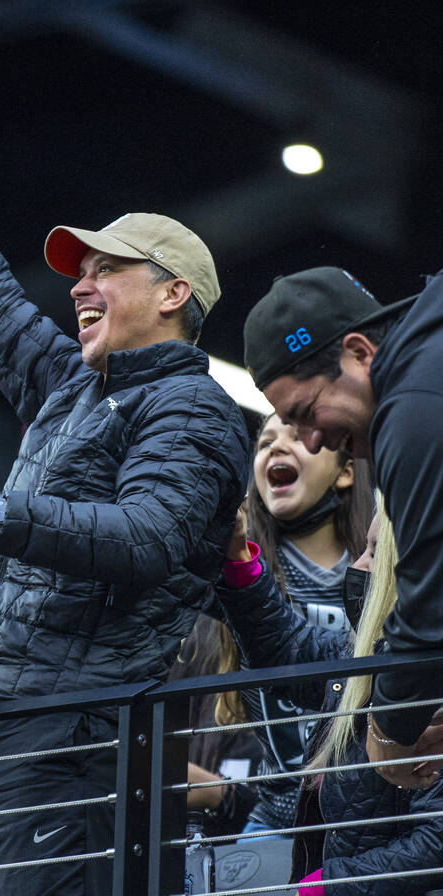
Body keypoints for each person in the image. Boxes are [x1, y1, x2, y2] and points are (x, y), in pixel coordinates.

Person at [0, 62, 250, 895]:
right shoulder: (76, 384)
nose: (79, 285)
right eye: (79, 271)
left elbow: (150, 536)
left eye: (105, 270)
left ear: (173, 294)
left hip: (72, 737)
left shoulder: (194, 409)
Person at [242, 265, 443, 784]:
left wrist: (387, 734)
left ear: (359, 353)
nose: (312, 441)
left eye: (307, 412)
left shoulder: (413, 408)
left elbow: (428, 611)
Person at [216, 499, 443, 895]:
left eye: (374, 552)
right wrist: (239, 556)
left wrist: (326, 887)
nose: (357, 567)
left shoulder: (431, 686)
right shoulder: (358, 654)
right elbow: (286, 648)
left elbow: (435, 842)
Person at [210, 411, 373, 837]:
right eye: (264, 444)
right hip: (275, 819)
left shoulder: (377, 572)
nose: (276, 447)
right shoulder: (235, 571)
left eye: (299, 436)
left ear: (345, 473)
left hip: (369, 816)